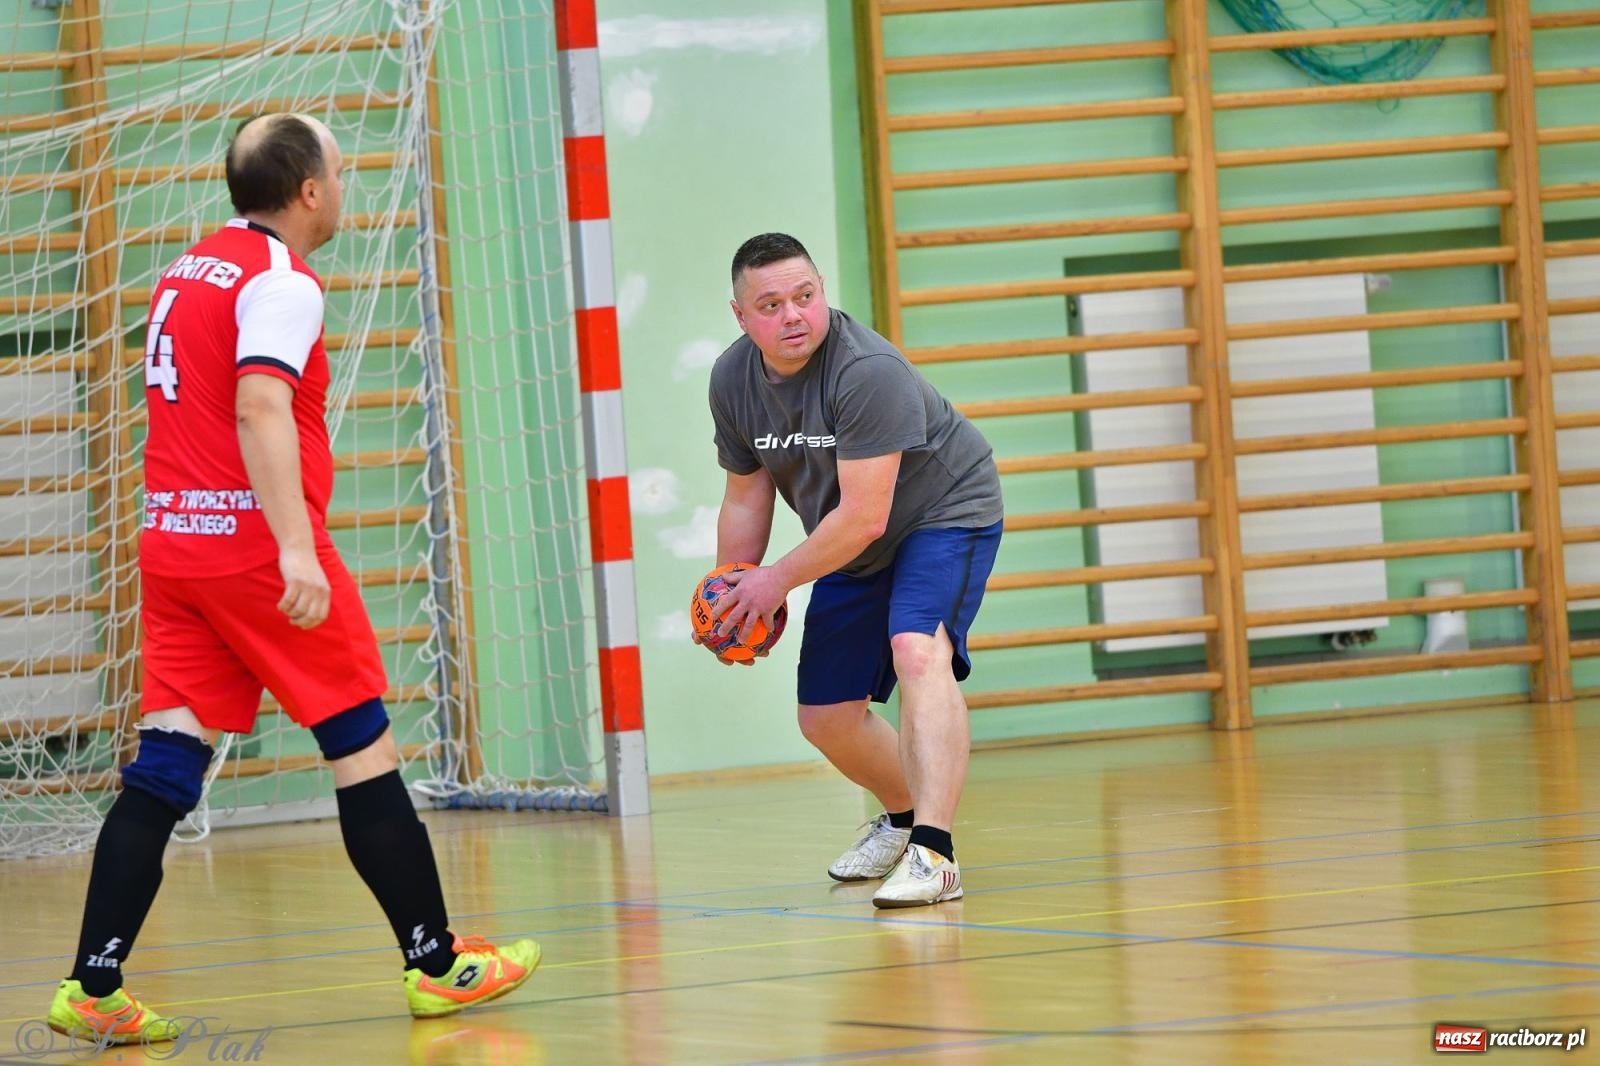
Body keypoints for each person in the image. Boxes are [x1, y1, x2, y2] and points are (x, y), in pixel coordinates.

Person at [46, 114, 539, 1045]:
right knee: (361, 741)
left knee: (164, 767)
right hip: (251, 554)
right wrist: (296, 550)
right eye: (341, 173)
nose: (345, 187)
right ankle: (438, 965)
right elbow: (260, 402)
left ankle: (93, 985)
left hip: (174, 546)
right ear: (310, 192)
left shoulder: (190, 267)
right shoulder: (284, 282)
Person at [701, 232, 1004, 908]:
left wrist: (774, 581)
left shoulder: (866, 371)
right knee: (826, 717)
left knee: (918, 651)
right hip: (848, 538)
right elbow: (745, 493)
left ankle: (935, 852)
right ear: (741, 316)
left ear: (821, 293)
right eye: (771, 304)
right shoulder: (733, 379)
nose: (793, 316)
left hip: (941, 514)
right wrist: (735, 593)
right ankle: (900, 819)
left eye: (804, 296)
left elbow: (868, 514)